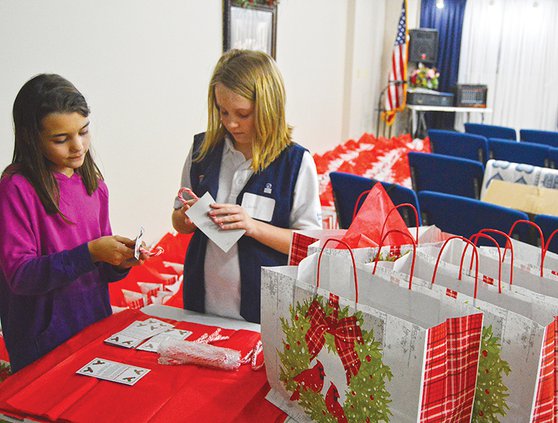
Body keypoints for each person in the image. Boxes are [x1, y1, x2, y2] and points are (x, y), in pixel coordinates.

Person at [0, 74, 148, 372]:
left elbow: (100, 269)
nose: (78, 146)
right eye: (61, 139)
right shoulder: (16, 188)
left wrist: (120, 261)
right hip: (41, 341)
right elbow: (21, 275)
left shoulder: (94, 185)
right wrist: (90, 252)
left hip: (93, 326)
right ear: (32, 137)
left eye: (83, 132)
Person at [172, 49, 322, 324]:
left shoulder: (296, 163)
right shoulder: (202, 150)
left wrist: (252, 227)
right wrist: (185, 217)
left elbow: (309, 245)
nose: (230, 123)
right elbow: (179, 220)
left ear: (268, 109)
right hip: (202, 301)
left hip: (264, 309)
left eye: (243, 114)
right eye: (223, 111)